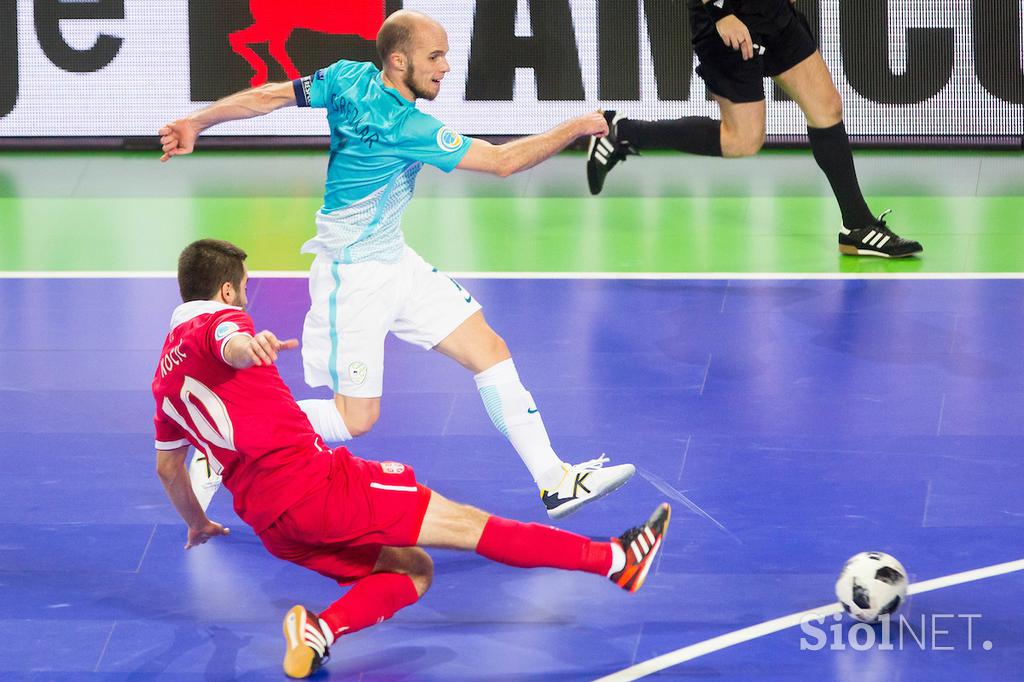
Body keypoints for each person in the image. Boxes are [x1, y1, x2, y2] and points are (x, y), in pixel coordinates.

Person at [159, 10, 634, 520]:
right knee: (355, 419)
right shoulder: (408, 126)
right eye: (435, 57)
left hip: (394, 261)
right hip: (353, 277)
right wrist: (582, 125)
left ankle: (555, 481)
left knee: (489, 351)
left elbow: (267, 95)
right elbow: (502, 163)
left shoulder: (344, 77)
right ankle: (224, 441)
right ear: (398, 59)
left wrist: (197, 121)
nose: (446, 67)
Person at [152, 239, 671, 679]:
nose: (246, 298)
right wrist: (251, 344)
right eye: (244, 288)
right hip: (320, 487)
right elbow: (230, 342)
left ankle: (320, 631)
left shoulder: (162, 379)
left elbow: (169, 469)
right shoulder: (220, 324)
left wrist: (197, 522)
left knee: (413, 572)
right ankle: (617, 562)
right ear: (225, 291)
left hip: (270, 523)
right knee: (473, 526)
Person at [587, 0, 923, 259]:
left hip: (768, 8)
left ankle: (857, 224)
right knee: (743, 140)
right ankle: (623, 132)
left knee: (826, 106)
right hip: (726, 14)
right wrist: (719, 11)